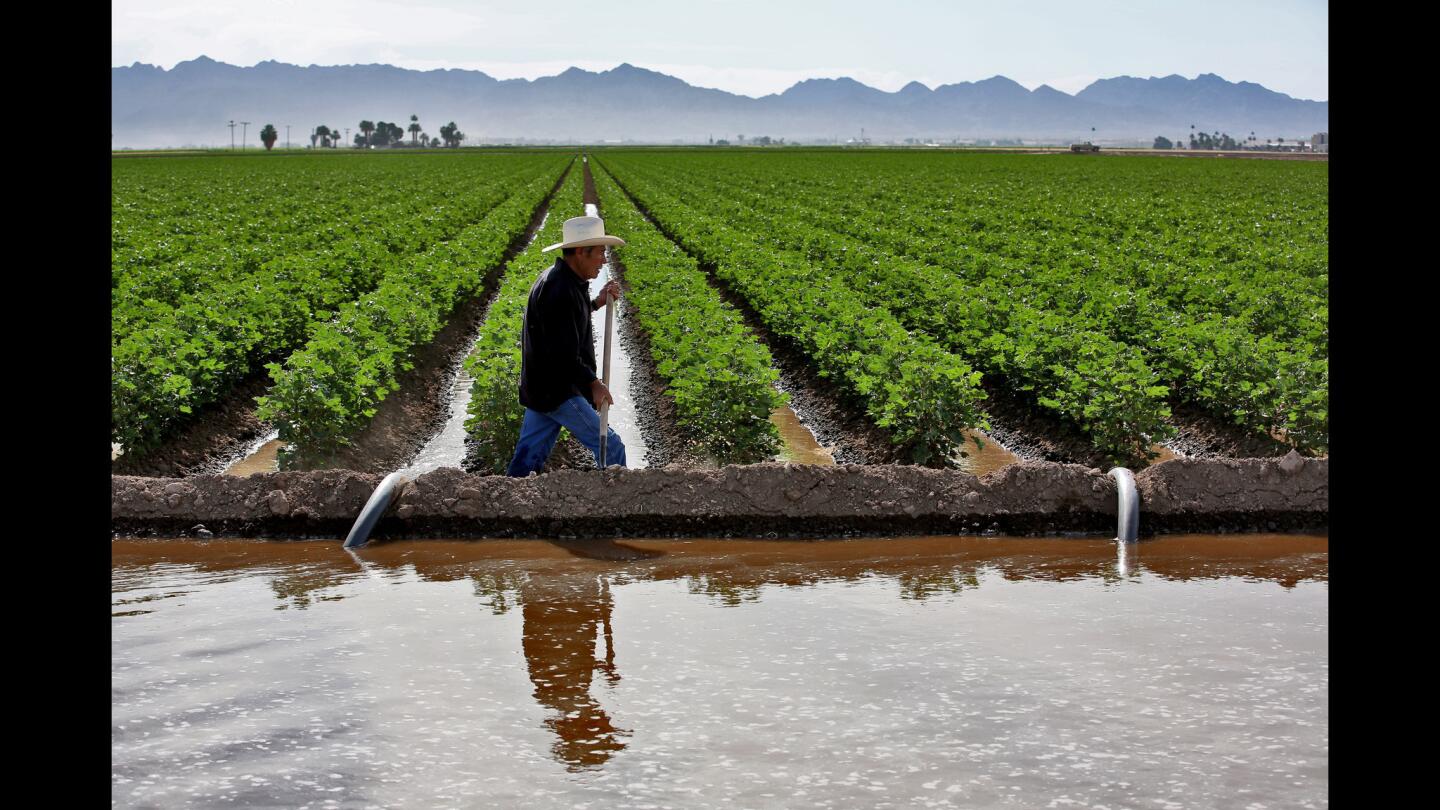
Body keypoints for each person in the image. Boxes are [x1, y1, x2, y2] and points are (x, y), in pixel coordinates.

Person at [506, 215, 628, 476]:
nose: (604, 261)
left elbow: (565, 324)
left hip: (542, 389)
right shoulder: (558, 289)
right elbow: (563, 354)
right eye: (600, 253)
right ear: (582, 253)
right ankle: (616, 508)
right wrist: (594, 384)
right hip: (559, 390)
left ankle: (506, 505)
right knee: (612, 447)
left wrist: (596, 302)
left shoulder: (564, 280)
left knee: (527, 461)